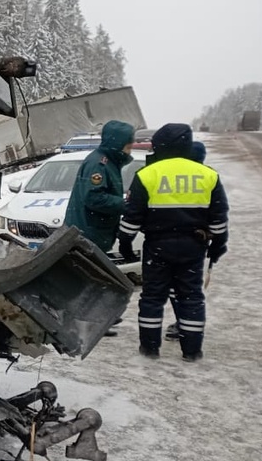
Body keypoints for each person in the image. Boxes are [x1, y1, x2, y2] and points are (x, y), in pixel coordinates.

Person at [118, 124, 228, 362]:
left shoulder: (148, 174)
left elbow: (132, 217)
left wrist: (125, 243)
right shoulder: (207, 175)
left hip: (158, 247)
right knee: (190, 297)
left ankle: (149, 349)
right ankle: (192, 351)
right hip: (193, 246)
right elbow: (219, 219)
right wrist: (218, 245)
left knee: (152, 297)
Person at [63, 120, 136, 253]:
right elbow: (94, 197)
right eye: (128, 148)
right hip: (88, 233)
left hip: (93, 232)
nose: (129, 153)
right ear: (118, 145)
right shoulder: (98, 164)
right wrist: (125, 204)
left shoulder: (109, 162)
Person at [165, 139, 207, 341]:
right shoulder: (208, 177)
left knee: (177, 287)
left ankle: (184, 323)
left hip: (172, 241)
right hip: (196, 243)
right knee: (190, 287)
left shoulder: (176, 179)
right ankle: (190, 324)